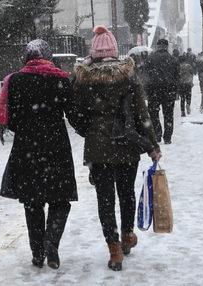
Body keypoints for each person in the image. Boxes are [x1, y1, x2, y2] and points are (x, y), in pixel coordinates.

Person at [69, 26, 161, 271]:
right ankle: (128, 234)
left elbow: (74, 113)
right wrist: (152, 144)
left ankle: (114, 249)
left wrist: (87, 129)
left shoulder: (83, 79)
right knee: (126, 193)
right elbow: (143, 113)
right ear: (115, 50)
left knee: (105, 199)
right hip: (126, 144)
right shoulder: (128, 76)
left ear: (94, 51)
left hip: (98, 146)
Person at [0, 39, 77, 270]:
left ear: (26, 57)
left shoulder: (16, 81)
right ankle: (52, 243)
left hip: (26, 148)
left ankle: (37, 252)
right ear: (49, 56)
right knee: (60, 199)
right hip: (56, 146)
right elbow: (74, 113)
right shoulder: (60, 79)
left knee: (33, 202)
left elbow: (11, 119)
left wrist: (26, 128)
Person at [145, 38, 179, 144]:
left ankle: (157, 134)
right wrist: (175, 90)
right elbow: (177, 77)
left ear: (157, 46)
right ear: (167, 46)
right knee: (168, 114)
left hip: (153, 90)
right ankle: (167, 137)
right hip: (169, 90)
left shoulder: (150, 59)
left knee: (154, 113)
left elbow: (146, 75)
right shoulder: (173, 60)